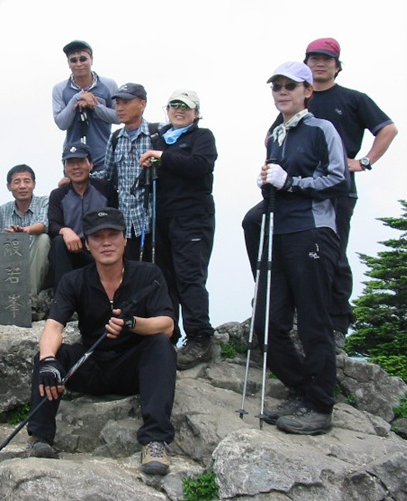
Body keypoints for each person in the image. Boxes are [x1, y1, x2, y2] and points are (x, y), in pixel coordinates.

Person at [243, 38, 398, 350]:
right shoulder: (295, 100)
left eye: (326, 59)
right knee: (253, 222)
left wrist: (364, 161)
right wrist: (275, 170)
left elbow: (388, 128)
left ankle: (337, 322)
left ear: (337, 67)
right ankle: (272, 292)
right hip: (292, 193)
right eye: (313, 58)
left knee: (334, 254)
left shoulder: (353, 99)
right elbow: (272, 136)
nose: (320, 63)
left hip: (335, 189)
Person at [26, 207, 177, 476]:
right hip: (91, 365)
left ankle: (155, 441)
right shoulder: (74, 281)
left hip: (133, 368)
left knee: (160, 346)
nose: (106, 242)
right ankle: (40, 437)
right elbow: (54, 325)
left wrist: (134, 323)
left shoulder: (149, 274)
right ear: (87, 244)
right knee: (48, 356)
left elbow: (167, 326)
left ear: (124, 240)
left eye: (112, 235)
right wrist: (49, 359)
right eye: (97, 237)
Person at [250, 61, 347, 435]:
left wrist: (290, 182)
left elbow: (337, 178)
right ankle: (303, 391)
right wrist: (267, 182)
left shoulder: (323, 129)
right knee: (268, 323)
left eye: (291, 85)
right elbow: (278, 181)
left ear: (308, 90)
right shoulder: (274, 133)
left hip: (312, 230)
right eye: (276, 86)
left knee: (312, 321)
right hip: (279, 230)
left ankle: (321, 405)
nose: (282, 91)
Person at [139, 89, 217, 369]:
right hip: (162, 218)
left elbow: (200, 165)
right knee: (164, 277)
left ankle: (200, 337)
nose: (178, 110)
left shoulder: (202, 137)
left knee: (189, 276)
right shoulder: (160, 139)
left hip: (193, 217)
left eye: (185, 107)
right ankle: (169, 334)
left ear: (196, 113)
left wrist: (162, 157)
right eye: (173, 106)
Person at [47, 142, 117, 288]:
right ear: (65, 168)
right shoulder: (58, 195)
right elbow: (52, 224)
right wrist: (65, 231)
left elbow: (116, 220)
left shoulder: (105, 188)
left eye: (80, 162)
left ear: (91, 164)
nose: (76, 167)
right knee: (58, 242)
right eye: (70, 163)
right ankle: (63, 299)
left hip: (100, 248)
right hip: (73, 250)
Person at [0, 164, 50, 309]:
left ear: (34, 184)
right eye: (17, 182)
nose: (22, 186)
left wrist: (26, 230)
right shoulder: (1, 211)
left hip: (35, 267)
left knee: (43, 238)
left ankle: (29, 301)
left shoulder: (44, 202)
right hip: (7, 269)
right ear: (9, 186)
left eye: (27, 181)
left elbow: (44, 224)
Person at [98, 83, 154, 261]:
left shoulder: (156, 134)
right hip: (125, 223)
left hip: (153, 221)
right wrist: (76, 179)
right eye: (118, 103)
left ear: (142, 104)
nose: (120, 108)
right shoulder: (115, 138)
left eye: (126, 103)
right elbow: (106, 175)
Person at [52, 40, 119, 171]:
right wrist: (76, 98)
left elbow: (118, 117)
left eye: (83, 59)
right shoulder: (60, 89)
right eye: (73, 60)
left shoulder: (108, 85)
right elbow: (61, 123)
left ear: (91, 60)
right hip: (73, 157)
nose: (79, 64)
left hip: (104, 156)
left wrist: (94, 105)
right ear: (68, 64)